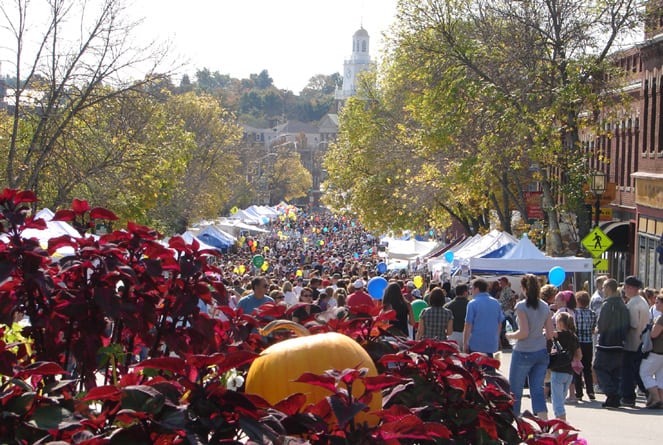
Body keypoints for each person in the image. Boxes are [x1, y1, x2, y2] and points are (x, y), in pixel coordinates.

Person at [506, 274, 554, 419]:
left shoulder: (521, 306)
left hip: (523, 351)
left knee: (515, 390)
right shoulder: (545, 306)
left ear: (524, 288)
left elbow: (524, 332)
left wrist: (510, 335)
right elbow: (550, 333)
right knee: (537, 390)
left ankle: (514, 423)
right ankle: (544, 423)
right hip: (540, 351)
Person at [593, 278, 630, 409]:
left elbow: (602, 324)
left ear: (608, 288)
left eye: (604, 288)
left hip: (606, 343)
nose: (603, 290)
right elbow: (627, 324)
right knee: (615, 371)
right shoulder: (623, 304)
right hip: (619, 343)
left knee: (599, 367)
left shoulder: (607, 304)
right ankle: (614, 397)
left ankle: (611, 393)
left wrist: (598, 329)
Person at [620, 275, 650, 407]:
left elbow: (633, 323)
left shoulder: (633, 303)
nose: (624, 289)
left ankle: (628, 396)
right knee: (638, 371)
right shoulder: (643, 301)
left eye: (626, 287)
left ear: (632, 288)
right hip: (642, 341)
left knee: (628, 371)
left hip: (633, 342)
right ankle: (651, 394)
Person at [550, 312, 582, 421]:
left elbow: (549, 334)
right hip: (569, 373)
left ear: (560, 323)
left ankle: (562, 426)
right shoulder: (574, 336)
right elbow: (579, 356)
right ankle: (559, 425)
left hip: (558, 371)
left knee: (557, 403)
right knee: (561, 401)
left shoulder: (559, 335)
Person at [463, 278, 505, 356]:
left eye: (472, 288)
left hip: (476, 343)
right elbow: (500, 323)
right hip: (491, 343)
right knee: (490, 366)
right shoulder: (496, 303)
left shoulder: (472, 304)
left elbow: (468, 324)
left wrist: (465, 343)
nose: (471, 291)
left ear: (477, 289)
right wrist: (496, 339)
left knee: (476, 367)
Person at [639, 295, 663, 408]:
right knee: (660, 376)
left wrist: (651, 327)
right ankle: (660, 400)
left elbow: (654, 334)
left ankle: (656, 398)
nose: (655, 304)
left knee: (644, 373)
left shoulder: (661, 318)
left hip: (657, 350)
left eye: (658, 302)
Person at [573, 290, 597, 401]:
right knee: (587, 367)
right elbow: (593, 329)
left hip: (578, 342)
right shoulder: (592, 313)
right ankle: (590, 391)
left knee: (577, 367)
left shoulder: (574, 313)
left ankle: (579, 392)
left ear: (577, 301)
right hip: (588, 342)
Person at [445, 283, 469, 350]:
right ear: (465, 292)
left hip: (452, 335)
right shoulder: (471, 305)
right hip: (467, 335)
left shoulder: (447, 306)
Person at [498, 276, 518, 350]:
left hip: (506, 312)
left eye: (501, 281)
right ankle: (506, 342)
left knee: (506, 328)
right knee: (504, 327)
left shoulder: (507, 289)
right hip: (503, 311)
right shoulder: (503, 290)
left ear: (505, 282)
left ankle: (508, 343)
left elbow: (512, 298)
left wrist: (510, 307)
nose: (500, 283)